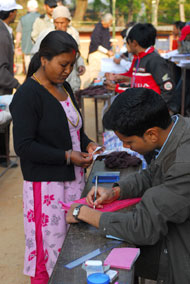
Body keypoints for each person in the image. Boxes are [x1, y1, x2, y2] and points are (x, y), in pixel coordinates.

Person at [66, 87, 190, 284]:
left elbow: (143, 227)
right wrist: (116, 191)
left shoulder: (184, 164)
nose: (125, 147)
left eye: (128, 141)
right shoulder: (177, 130)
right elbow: (152, 174)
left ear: (151, 134)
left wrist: (83, 213)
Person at [10, 30, 101, 284]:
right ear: (43, 60)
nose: (67, 71)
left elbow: (74, 130)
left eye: (71, 65)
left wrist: (89, 144)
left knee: (68, 245)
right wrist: (67, 156)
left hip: (71, 181)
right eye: (63, 65)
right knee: (46, 251)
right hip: (46, 187)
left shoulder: (65, 87)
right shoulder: (28, 95)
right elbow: (24, 147)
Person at [104, 23, 174, 106]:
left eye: (127, 43)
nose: (127, 46)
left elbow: (168, 89)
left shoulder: (154, 60)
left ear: (134, 43)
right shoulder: (138, 58)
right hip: (141, 108)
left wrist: (156, 109)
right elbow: (137, 86)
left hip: (150, 111)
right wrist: (117, 86)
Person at [31, 5, 86, 94]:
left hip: (71, 79)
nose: (59, 26)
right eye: (57, 22)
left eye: (62, 23)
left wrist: (81, 65)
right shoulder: (46, 34)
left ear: (68, 21)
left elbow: (76, 53)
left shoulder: (73, 33)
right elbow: (36, 55)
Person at [0, 0, 22, 167]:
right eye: (14, 11)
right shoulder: (1, 34)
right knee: (3, 125)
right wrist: (16, 83)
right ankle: (3, 158)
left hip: (5, 85)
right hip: (2, 87)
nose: (16, 14)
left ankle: (4, 157)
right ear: (10, 13)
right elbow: (1, 68)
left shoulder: (5, 30)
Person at [169, 25, 190, 115]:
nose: (185, 40)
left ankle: (174, 107)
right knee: (184, 79)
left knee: (185, 80)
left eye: (186, 37)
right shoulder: (185, 42)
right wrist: (180, 42)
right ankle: (178, 107)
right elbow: (182, 51)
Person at [15, 0, 40, 72]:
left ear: (28, 8)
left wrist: (17, 46)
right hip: (39, 50)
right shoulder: (41, 18)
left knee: (29, 70)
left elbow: (19, 33)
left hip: (27, 49)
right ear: (37, 8)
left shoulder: (23, 19)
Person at [88, 13, 114, 82]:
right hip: (96, 55)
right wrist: (107, 51)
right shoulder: (98, 28)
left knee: (103, 77)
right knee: (95, 76)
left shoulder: (106, 29)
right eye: (108, 23)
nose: (109, 25)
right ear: (103, 21)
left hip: (104, 56)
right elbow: (96, 44)